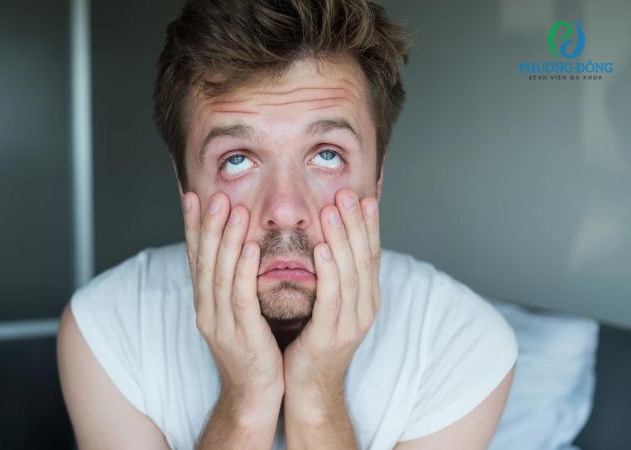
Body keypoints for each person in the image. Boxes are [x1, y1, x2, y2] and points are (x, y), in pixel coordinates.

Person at [57, 0, 518, 448]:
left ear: (377, 176)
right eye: (237, 160)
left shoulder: (463, 341)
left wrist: (318, 394)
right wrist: (245, 400)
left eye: (327, 155)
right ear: (183, 184)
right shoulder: (108, 327)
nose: (283, 208)